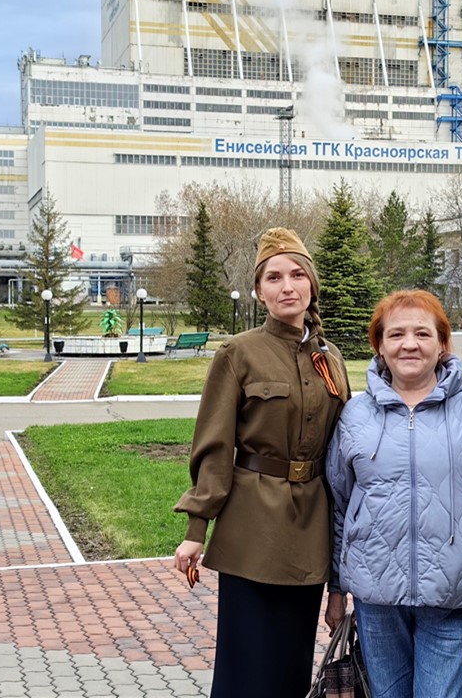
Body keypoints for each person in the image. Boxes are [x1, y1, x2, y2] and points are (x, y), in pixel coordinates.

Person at [325, 290, 462, 698]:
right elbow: (338, 504)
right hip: (375, 593)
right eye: (396, 334)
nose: (409, 344)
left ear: (442, 343)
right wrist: (335, 587)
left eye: (422, 333)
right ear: (379, 346)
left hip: (452, 589)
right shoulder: (355, 416)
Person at [173, 227, 349, 698]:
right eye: (273, 277)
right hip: (252, 525)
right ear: (259, 291)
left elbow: (341, 451)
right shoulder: (239, 354)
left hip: (310, 526)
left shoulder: (330, 359)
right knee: (246, 664)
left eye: (296, 274)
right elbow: (214, 444)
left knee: (291, 663)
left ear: (312, 284)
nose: (286, 286)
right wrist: (196, 530)